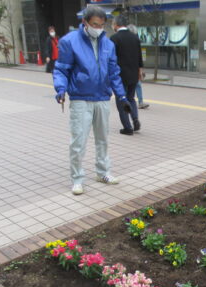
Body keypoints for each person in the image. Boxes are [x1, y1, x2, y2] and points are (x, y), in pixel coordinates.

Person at [53, 6, 131, 195]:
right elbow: (62, 68)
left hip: (102, 97)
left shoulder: (108, 44)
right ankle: (77, 179)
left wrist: (121, 96)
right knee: (78, 141)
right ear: (85, 23)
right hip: (80, 98)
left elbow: (114, 73)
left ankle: (103, 172)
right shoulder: (69, 42)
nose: (99, 28)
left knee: (103, 138)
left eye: (102, 25)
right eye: (95, 24)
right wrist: (61, 89)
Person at [111, 15, 143, 135]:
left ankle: (127, 127)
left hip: (120, 75)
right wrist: (140, 71)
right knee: (131, 98)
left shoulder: (114, 38)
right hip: (134, 74)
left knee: (121, 100)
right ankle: (135, 119)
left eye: (113, 24)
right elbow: (140, 57)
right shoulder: (135, 38)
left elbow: (111, 59)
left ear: (116, 25)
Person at [127, 24, 150, 110]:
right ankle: (126, 100)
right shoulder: (124, 40)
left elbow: (139, 56)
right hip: (127, 68)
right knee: (130, 85)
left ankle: (140, 102)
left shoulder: (136, 40)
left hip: (134, 67)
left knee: (138, 84)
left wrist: (140, 70)